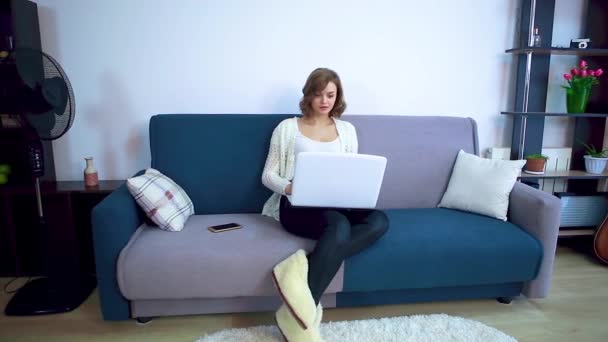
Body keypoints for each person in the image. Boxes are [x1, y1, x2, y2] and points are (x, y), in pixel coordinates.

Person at [261, 67, 389, 341]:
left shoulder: (347, 130)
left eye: (330, 95)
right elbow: (268, 174)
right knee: (339, 226)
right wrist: (291, 186)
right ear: (308, 95)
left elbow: (351, 170)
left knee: (379, 220)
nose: (324, 100)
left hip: (337, 203)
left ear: (337, 97)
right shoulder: (286, 128)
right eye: (318, 94)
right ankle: (299, 320)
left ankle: (300, 274)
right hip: (297, 206)